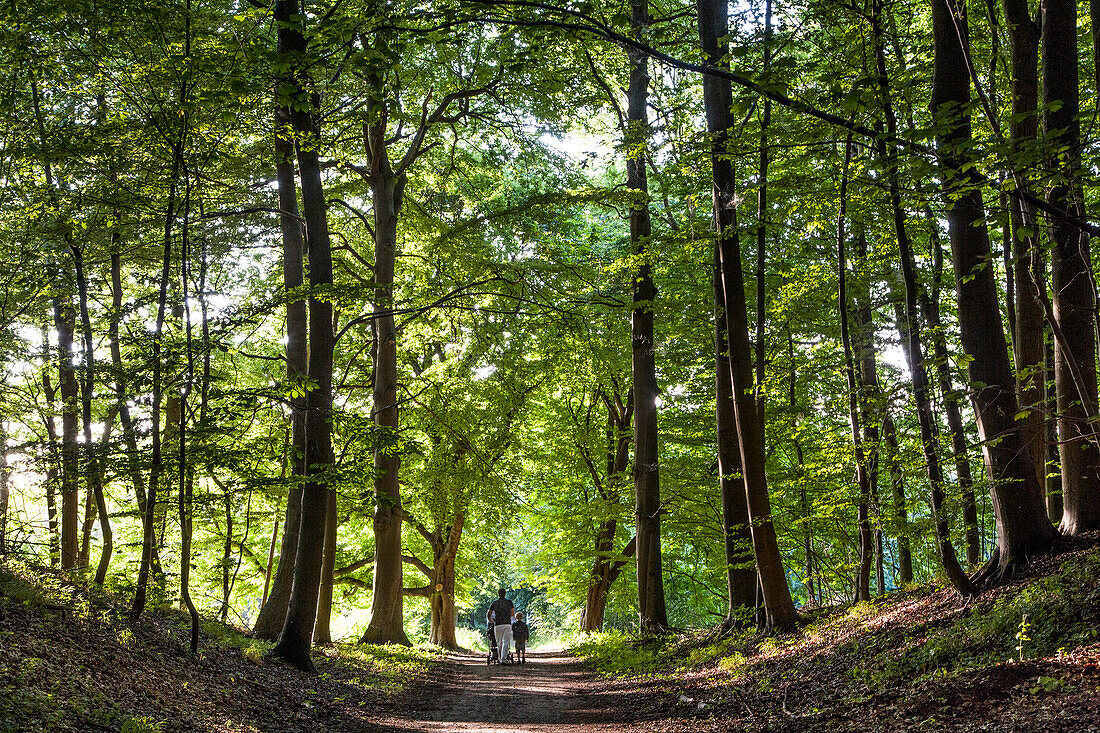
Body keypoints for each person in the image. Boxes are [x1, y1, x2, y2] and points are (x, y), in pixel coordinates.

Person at [486, 589, 515, 664]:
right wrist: (508, 616)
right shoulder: (509, 602)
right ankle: (503, 659)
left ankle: (499, 658)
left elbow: (489, 613)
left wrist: (490, 620)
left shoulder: (494, 603)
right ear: (505, 594)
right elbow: (512, 613)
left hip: (498, 624)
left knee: (499, 643)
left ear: (498, 594)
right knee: (506, 642)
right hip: (507, 624)